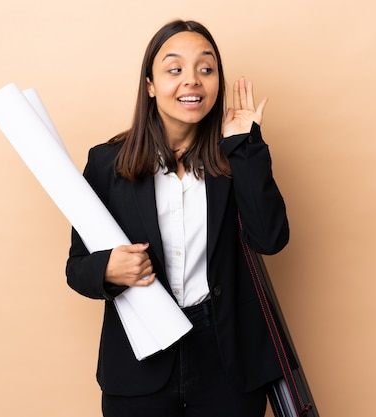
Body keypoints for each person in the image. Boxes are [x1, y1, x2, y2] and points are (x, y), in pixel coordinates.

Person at [66, 19, 289, 417]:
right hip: (141, 360)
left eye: (206, 69)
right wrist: (108, 269)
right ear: (150, 85)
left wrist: (244, 144)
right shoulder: (105, 164)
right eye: (175, 70)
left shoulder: (234, 157)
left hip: (227, 358)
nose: (193, 81)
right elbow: (77, 268)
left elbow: (270, 239)